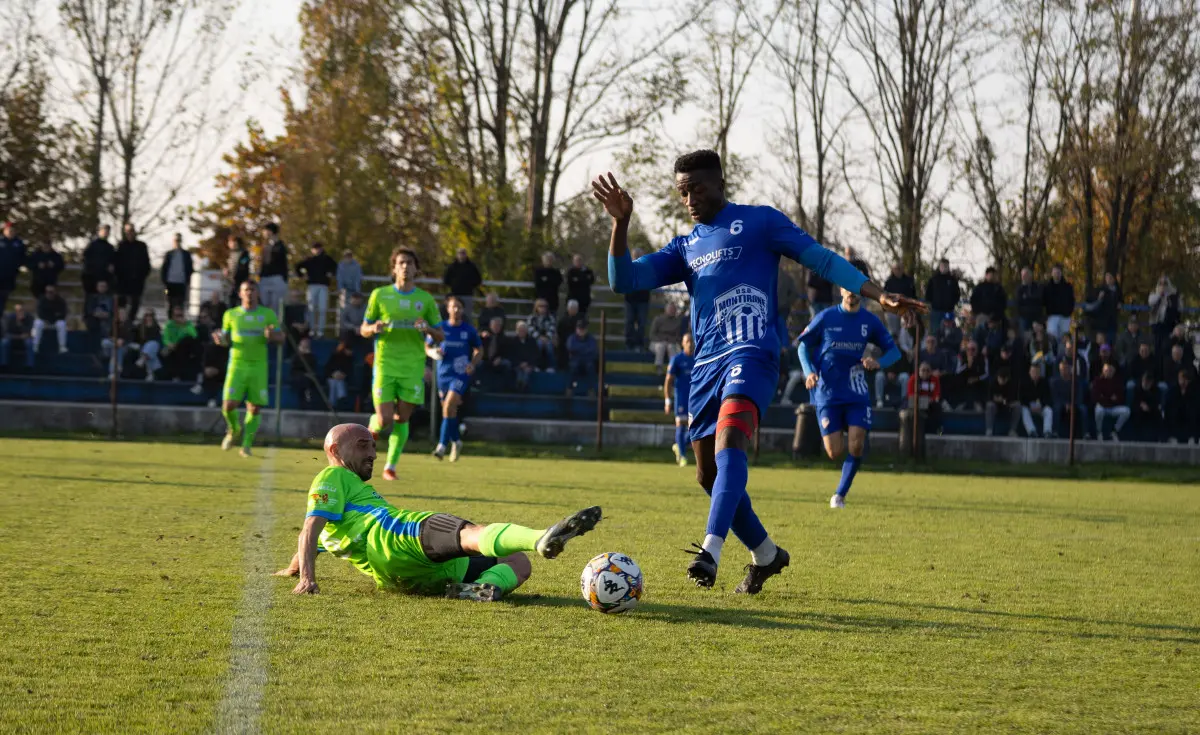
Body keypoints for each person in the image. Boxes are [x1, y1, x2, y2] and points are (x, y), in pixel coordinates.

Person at [595, 149, 924, 591]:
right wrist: (620, 224)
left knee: (732, 439)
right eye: (682, 191)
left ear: (719, 184)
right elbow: (623, 281)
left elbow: (820, 259)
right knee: (707, 475)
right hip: (705, 367)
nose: (689, 198)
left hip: (753, 351)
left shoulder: (760, 221)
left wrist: (875, 293)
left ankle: (710, 550)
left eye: (696, 188)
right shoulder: (685, 246)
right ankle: (767, 555)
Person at [274, 423, 603, 600]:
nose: (373, 453)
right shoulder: (333, 475)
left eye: (374, 446)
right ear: (334, 450)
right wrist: (307, 579)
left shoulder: (345, 507)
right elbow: (310, 528)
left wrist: (293, 569)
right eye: (363, 445)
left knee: (518, 562)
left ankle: (477, 590)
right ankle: (539, 537)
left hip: (405, 579)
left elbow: (316, 536)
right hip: (392, 536)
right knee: (468, 533)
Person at [796, 286, 902, 509]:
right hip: (827, 393)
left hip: (856, 392)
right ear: (840, 291)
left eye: (855, 288)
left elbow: (894, 351)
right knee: (834, 452)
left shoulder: (870, 321)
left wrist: (879, 363)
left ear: (861, 292)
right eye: (847, 287)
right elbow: (803, 347)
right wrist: (809, 372)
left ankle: (839, 495)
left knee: (856, 445)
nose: (852, 292)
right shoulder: (826, 317)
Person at [361, 247, 443, 480]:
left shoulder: (425, 299)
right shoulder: (379, 295)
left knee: (402, 418)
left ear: (417, 269)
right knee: (385, 418)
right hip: (385, 364)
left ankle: (390, 467)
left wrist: (426, 328)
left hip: (413, 366)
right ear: (394, 268)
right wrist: (373, 328)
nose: (405, 266)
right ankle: (371, 431)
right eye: (401, 262)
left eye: (409, 262)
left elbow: (441, 335)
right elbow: (363, 328)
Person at [215, 280, 282, 457]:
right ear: (240, 293)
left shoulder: (267, 314)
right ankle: (234, 429)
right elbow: (225, 338)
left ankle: (246, 445)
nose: (249, 293)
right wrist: (220, 340)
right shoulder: (231, 314)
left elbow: (280, 337)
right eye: (246, 290)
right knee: (228, 405)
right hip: (237, 364)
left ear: (257, 293)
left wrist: (272, 335)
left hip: (258, 365)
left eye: (252, 290)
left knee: (254, 407)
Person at [427, 295, 482, 461]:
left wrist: (472, 363)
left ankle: (442, 446)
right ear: (448, 309)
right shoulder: (441, 328)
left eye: (459, 306)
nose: (456, 309)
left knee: (449, 406)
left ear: (463, 309)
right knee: (449, 411)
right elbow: (427, 346)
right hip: (443, 374)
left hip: (460, 374)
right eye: (453, 306)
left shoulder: (469, 330)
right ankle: (456, 441)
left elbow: (479, 350)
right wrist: (433, 353)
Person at [665, 333, 695, 467]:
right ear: (682, 343)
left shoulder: (698, 359)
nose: (689, 343)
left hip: (695, 399)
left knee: (694, 429)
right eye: (687, 341)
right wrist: (667, 400)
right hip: (681, 398)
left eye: (691, 341)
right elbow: (668, 381)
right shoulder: (677, 359)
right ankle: (682, 457)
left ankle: (679, 445)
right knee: (681, 425)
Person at [296, 242, 338, 336]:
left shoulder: (327, 259)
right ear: (312, 250)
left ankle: (320, 330)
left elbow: (335, 267)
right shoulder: (309, 260)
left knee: (322, 309)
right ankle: (311, 329)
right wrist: (302, 276)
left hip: (323, 286)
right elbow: (298, 266)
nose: (317, 250)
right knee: (311, 308)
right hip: (312, 285)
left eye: (318, 248)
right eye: (315, 248)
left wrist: (331, 273)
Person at [115, 223, 151, 319]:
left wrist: (142, 276)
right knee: (121, 304)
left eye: (131, 231)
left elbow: (146, 263)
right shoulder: (121, 246)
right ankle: (121, 323)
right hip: (123, 282)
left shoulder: (141, 246)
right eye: (127, 231)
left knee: (135, 303)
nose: (130, 233)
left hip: (137, 281)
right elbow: (116, 263)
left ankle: (130, 322)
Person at [1091, 362, 1130, 441]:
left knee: (1126, 411)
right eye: (1106, 370)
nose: (1108, 372)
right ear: (1103, 371)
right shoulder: (1097, 381)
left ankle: (1114, 431)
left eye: (1110, 370)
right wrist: (1109, 398)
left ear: (1114, 371)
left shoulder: (1118, 381)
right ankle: (1099, 432)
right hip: (1102, 406)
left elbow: (1120, 397)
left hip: (1113, 407)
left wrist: (1106, 397)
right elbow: (1096, 397)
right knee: (1099, 411)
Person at [161, 305, 200, 381]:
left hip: (183, 348)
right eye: (177, 315)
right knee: (166, 353)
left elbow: (194, 335)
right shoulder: (169, 324)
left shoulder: (187, 324)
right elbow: (165, 339)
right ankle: (172, 376)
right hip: (171, 347)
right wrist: (170, 344)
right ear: (173, 316)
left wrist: (185, 325)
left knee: (187, 341)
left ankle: (182, 376)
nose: (179, 317)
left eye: (181, 315)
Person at [259, 223, 290, 315]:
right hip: (265, 278)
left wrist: (284, 279)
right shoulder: (266, 246)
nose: (263, 233)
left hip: (277, 277)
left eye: (265, 230)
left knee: (277, 306)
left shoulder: (280, 246)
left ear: (270, 231)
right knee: (264, 304)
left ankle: (276, 327)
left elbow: (282, 262)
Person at [623, 249, 651, 351]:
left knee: (642, 323)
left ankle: (639, 344)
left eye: (639, 254)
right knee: (629, 321)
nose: (637, 256)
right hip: (630, 299)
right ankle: (629, 344)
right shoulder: (627, 267)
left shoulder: (647, 267)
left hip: (643, 300)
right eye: (635, 255)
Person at [1148, 274, 1182, 357]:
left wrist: (1168, 297)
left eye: (1165, 284)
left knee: (1167, 348)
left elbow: (1179, 307)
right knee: (1157, 348)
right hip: (1157, 325)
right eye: (1161, 283)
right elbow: (1151, 302)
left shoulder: (1173, 295)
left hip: (1169, 325)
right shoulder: (1154, 294)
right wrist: (1160, 294)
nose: (1163, 286)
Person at [443, 247, 483, 317]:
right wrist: (454, 285)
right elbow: (446, 279)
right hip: (455, 295)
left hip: (467, 295)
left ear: (466, 255)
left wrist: (470, 285)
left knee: (467, 316)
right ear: (457, 255)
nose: (461, 255)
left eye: (463, 253)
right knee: (454, 315)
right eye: (460, 253)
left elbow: (478, 279)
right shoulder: (452, 266)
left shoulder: (471, 266)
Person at [1084, 271, 1121, 345]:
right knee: (1100, 344)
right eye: (1107, 277)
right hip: (1101, 322)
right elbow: (1091, 302)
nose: (1108, 279)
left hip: (1112, 322)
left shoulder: (1117, 290)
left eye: (1110, 277)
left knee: (1110, 343)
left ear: (1114, 279)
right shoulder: (1101, 289)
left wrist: (1120, 303)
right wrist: (1099, 298)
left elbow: (1120, 300)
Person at [160, 233, 194, 312]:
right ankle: (170, 320)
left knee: (180, 303)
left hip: (181, 283)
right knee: (169, 302)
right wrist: (164, 281)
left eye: (179, 240)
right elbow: (164, 268)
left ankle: (179, 321)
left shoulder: (186, 254)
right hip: (169, 284)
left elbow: (190, 268)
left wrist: (187, 280)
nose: (177, 242)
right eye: (176, 240)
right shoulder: (169, 254)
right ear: (173, 241)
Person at [907, 362, 943, 433]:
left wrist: (931, 400)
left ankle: (938, 431)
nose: (925, 372)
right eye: (923, 370)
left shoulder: (935, 379)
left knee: (937, 407)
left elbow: (937, 394)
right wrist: (922, 400)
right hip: (916, 402)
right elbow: (910, 394)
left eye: (928, 370)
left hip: (930, 402)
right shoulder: (913, 379)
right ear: (919, 371)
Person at [1164, 369, 1199, 444]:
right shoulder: (1172, 392)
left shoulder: (1194, 392)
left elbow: (1195, 412)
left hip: (1189, 426)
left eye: (1185, 379)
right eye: (1181, 379)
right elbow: (1168, 411)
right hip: (1175, 425)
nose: (1183, 382)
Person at [951, 340, 988, 410]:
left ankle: (978, 403)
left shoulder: (983, 357)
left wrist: (977, 378)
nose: (970, 351)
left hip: (977, 380)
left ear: (977, 350)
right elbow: (957, 371)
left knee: (984, 383)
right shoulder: (962, 356)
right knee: (956, 380)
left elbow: (986, 374)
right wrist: (967, 365)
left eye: (973, 349)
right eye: (968, 349)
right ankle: (960, 402)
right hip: (965, 379)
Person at [649, 301, 685, 373]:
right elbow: (652, 335)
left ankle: (674, 368)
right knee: (661, 346)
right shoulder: (658, 319)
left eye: (674, 309)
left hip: (672, 343)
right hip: (657, 343)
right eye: (670, 309)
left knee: (671, 347)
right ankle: (658, 367)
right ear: (666, 309)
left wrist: (671, 340)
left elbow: (678, 337)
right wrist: (662, 340)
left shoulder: (678, 322)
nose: (672, 311)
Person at [882, 261, 917, 336]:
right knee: (893, 332)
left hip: (906, 310)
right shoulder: (889, 282)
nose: (898, 270)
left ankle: (905, 347)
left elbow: (913, 296)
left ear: (903, 269)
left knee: (906, 332)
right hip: (892, 311)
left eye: (900, 268)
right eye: (896, 269)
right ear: (893, 270)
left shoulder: (909, 281)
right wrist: (885, 309)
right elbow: (884, 297)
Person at [1018, 364, 1053, 438]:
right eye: (1033, 372)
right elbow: (1021, 398)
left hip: (1040, 407)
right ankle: (1032, 431)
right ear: (1029, 372)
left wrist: (1041, 405)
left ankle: (1047, 431)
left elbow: (1048, 398)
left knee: (1048, 410)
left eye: (1037, 372)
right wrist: (1030, 406)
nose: (1035, 374)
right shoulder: (1024, 382)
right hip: (1029, 406)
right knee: (1024, 410)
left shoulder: (1044, 382)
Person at [1042, 264, 1074, 343]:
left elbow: (1072, 300)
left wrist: (1069, 311)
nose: (1057, 274)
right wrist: (1046, 315)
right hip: (1052, 316)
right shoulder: (1047, 287)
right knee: (1052, 336)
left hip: (1065, 316)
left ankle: (1064, 354)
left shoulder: (1067, 287)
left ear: (1061, 273)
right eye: (1055, 272)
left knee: (1064, 338)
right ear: (1052, 273)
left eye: (1058, 272)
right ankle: (1052, 354)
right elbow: (1043, 302)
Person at [33, 283, 68, 355]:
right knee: (37, 323)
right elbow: (40, 313)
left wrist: (53, 318)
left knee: (62, 324)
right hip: (44, 322)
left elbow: (63, 314)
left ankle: (62, 346)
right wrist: (47, 319)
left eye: (51, 292)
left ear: (55, 292)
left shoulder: (60, 301)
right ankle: (35, 346)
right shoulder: (42, 300)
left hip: (55, 322)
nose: (49, 294)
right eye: (47, 292)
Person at [924, 257, 960, 326]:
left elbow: (957, 294)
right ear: (939, 266)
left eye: (946, 266)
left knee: (948, 333)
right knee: (935, 332)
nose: (944, 268)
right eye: (942, 266)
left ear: (948, 267)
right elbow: (928, 294)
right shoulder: (934, 279)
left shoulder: (952, 280)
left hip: (948, 311)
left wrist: (951, 304)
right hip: (936, 311)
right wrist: (932, 304)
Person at [81, 224, 116, 296]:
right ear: (99, 232)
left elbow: (112, 262)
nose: (105, 233)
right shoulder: (92, 245)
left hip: (105, 280)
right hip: (92, 279)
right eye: (104, 231)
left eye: (107, 231)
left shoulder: (110, 247)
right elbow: (86, 260)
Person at [0, 222, 26, 315]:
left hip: (10, 276)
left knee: (3, 299)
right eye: (9, 230)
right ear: (4, 230)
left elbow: (23, 258)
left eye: (13, 230)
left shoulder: (19, 243)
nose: (11, 232)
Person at [566, 320, 598, 396]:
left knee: (590, 367)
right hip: (575, 360)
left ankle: (591, 389)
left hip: (587, 361)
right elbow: (570, 347)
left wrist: (578, 350)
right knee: (573, 367)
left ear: (586, 329)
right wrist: (584, 349)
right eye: (579, 329)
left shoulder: (591, 339)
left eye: (583, 329)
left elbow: (593, 350)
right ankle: (569, 389)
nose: (581, 331)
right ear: (576, 329)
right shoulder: (572, 338)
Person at [969, 267, 1007, 331]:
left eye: (994, 275)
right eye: (991, 275)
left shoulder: (999, 289)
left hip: (997, 316)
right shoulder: (980, 287)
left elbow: (1003, 303)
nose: (993, 276)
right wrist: (978, 312)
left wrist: (996, 316)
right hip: (983, 315)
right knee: (981, 330)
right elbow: (973, 300)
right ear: (986, 275)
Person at [985, 368, 1020, 437]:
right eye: (1000, 378)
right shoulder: (992, 383)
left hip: (1007, 405)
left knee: (1017, 405)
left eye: (1003, 379)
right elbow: (989, 397)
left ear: (1007, 379)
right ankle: (989, 430)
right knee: (989, 405)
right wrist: (996, 400)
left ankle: (1012, 430)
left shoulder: (1011, 384)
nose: (1001, 381)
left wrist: (1003, 400)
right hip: (995, 406)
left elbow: (1013, 398)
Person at [1130, 371, 1163, 442]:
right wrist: (1141, 405)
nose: (1145, 384)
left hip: (1151, 411)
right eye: (1144, 381)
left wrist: (1149, 407)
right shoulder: (1137, 389)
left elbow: (1157, 403)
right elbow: (1134, 403)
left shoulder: (1156, 390)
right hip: (1139, 412)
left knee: (1158, 415)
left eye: (1148, 382)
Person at [1, 302, 35, 368]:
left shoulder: (29, 317)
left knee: (29, 343)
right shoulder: (10, 317)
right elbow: (7, 332)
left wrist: (20, 324)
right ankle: (3, 364)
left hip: (25, 338)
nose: (19, 312)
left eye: (21, 310)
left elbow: (28, 331)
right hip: (14, 337)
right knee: (4, 342)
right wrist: (19, 336)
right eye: (17, 310)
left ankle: (29, 365)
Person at [133, 310, 164, 381]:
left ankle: (143, 359)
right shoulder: (140, 326)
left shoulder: (157, 327)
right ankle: (150, 373)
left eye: (150, 315)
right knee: (149, 351)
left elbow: (159, 340)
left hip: (155, 346)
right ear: (144, 316)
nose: (149, 317)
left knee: (152, 344)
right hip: (145, 348)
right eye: (147, 315)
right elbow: (137, 339)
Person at [324, 339, 355, 409]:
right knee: (334, 382)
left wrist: (343, 375)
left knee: (337, 382)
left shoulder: (350, 360)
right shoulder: (334, 357)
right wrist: (333, 374)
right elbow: (327, 369)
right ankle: (341, 397)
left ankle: (331, 405)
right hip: (331, 377)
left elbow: (349, 372)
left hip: (343, 379)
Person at [289, 336, 319, 410]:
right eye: (304, 344)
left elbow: (312, 368)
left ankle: (308, 398)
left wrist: (308, 355)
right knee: (303, 380)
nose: (305, 345)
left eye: (307, 344)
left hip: (309, 376)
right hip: (297, 375)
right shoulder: (295, 356)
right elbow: (294, 369)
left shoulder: (311, 356)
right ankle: (305, 398)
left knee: (311, 380)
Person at [528, 298, 557, 369]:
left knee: (549, 346)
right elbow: (530, 329)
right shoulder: (532, 317)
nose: (543, 308)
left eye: (545, 306)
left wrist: (547, 337)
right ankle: (535, 366)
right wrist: (539, 337)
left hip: (548, 339)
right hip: (535, 339)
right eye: (541, 306)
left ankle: (551, 367)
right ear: (536, 307)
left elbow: (552, 328)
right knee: (539, 344)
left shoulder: (550, 317)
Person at [224, 235, 252, 306]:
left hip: (240, 282)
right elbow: (230, 266)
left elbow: (243, 266)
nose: (229, 244)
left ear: (236, 243)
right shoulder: (230, 253)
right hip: (231, 283)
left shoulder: (244, 253)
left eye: (230, 242)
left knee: (240, 301)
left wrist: (236, 277)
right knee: (231, 301)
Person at [556, 299, 584, 368]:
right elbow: (559, 332)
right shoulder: (562, 320)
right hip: (564, 343)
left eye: (575, 308)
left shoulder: (581, 320)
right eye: (571, 308)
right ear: (568, 309)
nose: (573, 310)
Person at [1015, 267, 1043, 334]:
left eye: (1026, 275)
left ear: (1030, 276)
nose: (1024, 277)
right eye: (1022, 275)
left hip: (1036, 316)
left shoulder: (1037, 286)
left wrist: (1027, 298)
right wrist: (1030, 299)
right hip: (1024, 317)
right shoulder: (1019, 289)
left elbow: (1038, 300)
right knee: (1024, 336)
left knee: (1038, 335)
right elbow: (1019, 303)